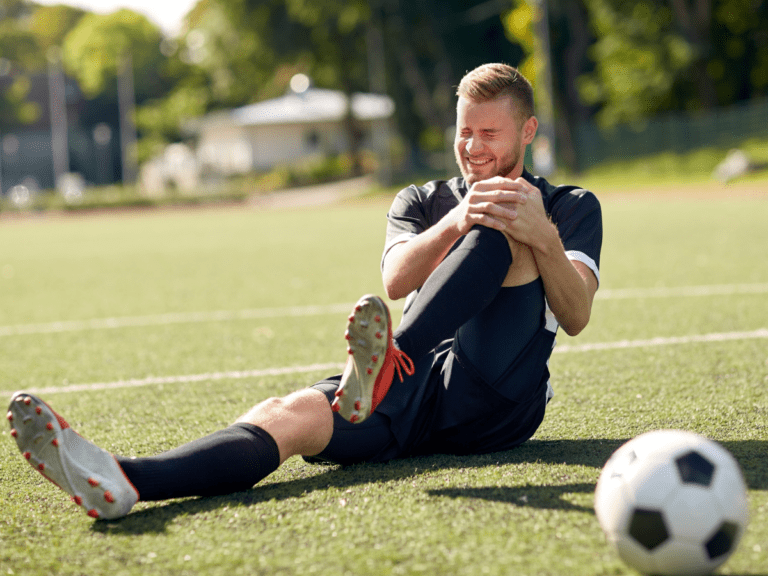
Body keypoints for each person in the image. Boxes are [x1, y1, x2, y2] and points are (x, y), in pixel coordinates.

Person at [7, 63, 602, 520]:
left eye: (489, 134)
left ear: (527, 130)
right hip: (412, 390)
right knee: (289, 415)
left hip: (494, 396)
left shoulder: (571, 206)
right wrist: (455, 220)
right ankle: (125, 479)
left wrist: (542, 237)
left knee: (509, 227)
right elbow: (396, 280)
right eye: (464, 132)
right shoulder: (420, 200)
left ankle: (389, 367)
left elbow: (575, 315)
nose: (472, 148)